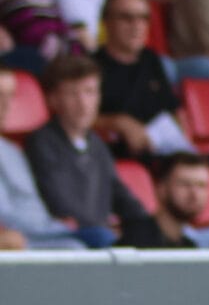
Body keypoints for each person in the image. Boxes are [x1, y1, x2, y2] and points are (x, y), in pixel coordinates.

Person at [26, 54, 151, 245]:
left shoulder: (97, 144)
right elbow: (58, 201)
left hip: (101, 233)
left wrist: (146, 224)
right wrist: (100, 225)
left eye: (90, 92)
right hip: (69, 237)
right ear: (53, 100)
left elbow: (121, 195)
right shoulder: (42, 142)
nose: (83, 103)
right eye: (72, 93)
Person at [90, 0, 192, 157]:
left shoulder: (151, 59)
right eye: (126, 18)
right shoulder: (91, 66)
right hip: (118, 156)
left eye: (143, 18)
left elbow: (174, 110)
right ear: (106, 22)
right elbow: (75, 119)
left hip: (164, 155)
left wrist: (186, 146)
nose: (137, 26)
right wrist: (117, 122)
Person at [0, 69, 85, 250]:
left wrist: (55, 225)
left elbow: (31, 205)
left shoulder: (13, 151)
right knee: (76, 248)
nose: (6, 104)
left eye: (10, 96)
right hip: (22, 239)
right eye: (0, 95)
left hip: (44, 231)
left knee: (104, 239)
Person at [130, 152, 209, 249]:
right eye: (185, 184)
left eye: (201, 185)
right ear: (161, 189)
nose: (194, 194)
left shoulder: (190, 246)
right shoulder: (135, 242)